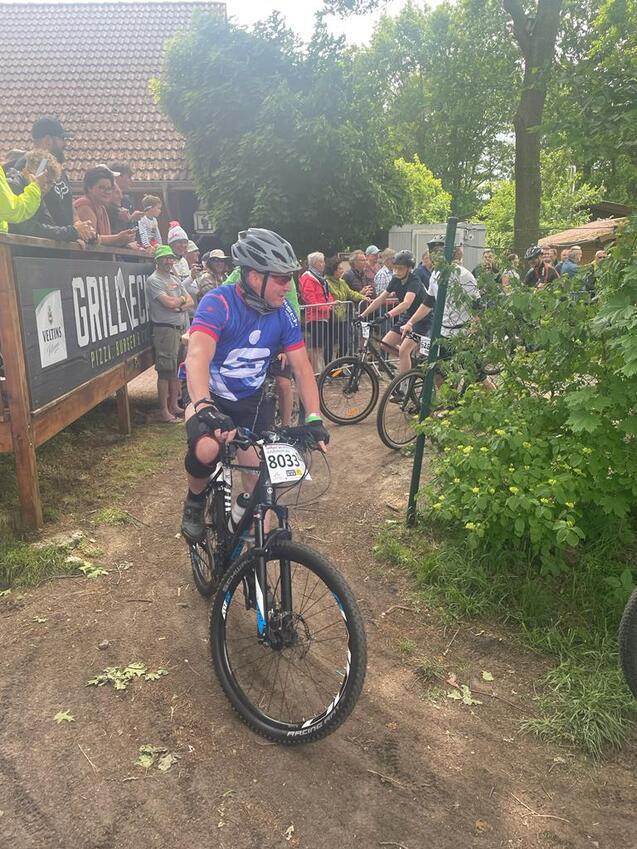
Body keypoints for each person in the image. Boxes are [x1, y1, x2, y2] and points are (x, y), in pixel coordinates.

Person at [180, 228, 328, 542]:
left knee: (260, 481)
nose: (286, 286)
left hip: (250, 400)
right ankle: (194, 500)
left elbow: (302, 368)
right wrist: (204, 405)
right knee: (207, 448)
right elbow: (197, 357)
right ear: (251, 275)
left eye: (289, 278)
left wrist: (314, 416)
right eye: (279, 278)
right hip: (208, 394)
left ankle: (248, 550)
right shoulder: (218, 302)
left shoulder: (284, 312)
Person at [6, 117, 94, 243]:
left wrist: (81, 230)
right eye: (62, 139)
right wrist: (70, 232)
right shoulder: (32, 166)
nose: (65, 144)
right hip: (38, 251)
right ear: (48, 140)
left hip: (61, 246)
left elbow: (68, 203)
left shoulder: (56, 168)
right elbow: (32, 217)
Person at [402, 244, 480, 387]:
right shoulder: (435, 274)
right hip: (443, 333)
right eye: (433, 254)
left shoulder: (464, 275)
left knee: (478, 377)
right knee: (439, 373)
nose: (434, 258)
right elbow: (427, 303)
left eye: (438, 254)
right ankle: (448, 405)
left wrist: (474, 331)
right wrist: (410, 323)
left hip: (462, 333)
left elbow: (477, 306)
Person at [360, 249, 434, 375]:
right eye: (395, 268)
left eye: (400, 268)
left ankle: (404, 387)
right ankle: (411, 363)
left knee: (404, 350)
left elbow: (406, 303)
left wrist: (387, 315)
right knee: (385, 344)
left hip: (422, 319)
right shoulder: (395, 279)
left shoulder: (414, 280)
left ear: (409, 268)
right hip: (408, 316)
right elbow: (380, 298)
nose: (397, 271)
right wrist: (362, 315)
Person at [145, 245, 193, 422]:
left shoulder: (174, 278)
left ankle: (174, 405)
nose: (169, 261)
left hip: (179, 329)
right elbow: (168, 303)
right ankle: (164, 411)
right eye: (165, 258)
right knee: (165, 371)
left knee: (176, 369)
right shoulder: (154, 280)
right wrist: (179, 302)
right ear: (157, 260)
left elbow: (190, 302)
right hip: (165, 330)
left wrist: (179, 303)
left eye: (171, 258)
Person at [73, 165, 137, 246]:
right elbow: (91, 240)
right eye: (102, 188)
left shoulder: (101, 207)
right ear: (89, 187)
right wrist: (118, 238)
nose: (106, 192)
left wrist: (124, 240)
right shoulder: (84, 205)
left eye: (109, 188)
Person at [325, 255, 369, 357]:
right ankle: (329, 368)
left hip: (343, 318)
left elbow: (351, 293)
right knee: (330, 344)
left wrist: (363, 297)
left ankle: (338, 368)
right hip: (331, 318)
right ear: (333, 270)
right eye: (339, 268)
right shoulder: (326, 283)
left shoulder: (342, 282)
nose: (342, 270)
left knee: (345, 343)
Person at [299, 251, 335, 372]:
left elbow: (327, 294)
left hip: (324, 316)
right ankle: (315, 371)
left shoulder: (321, 278)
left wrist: (330, 304)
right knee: (316, 347)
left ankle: (320, 370)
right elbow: (310, 299)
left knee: (321, 346)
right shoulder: (307, 277)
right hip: (314, 317)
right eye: (321, 261)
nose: (323, 264)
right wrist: (327, 307)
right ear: (314, 263)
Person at [0, 151, 54, 232]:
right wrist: (36, 185)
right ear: (26, 172)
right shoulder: (15, 185)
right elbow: (13, 211)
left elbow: (48, 222)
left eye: (50, 183)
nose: (45, 187)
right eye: (44, 182)